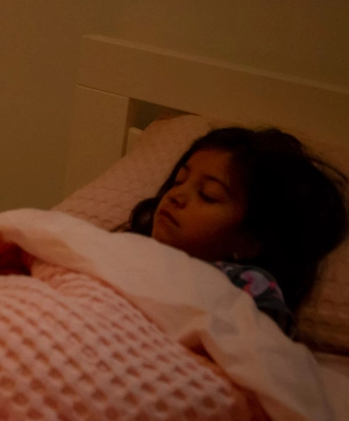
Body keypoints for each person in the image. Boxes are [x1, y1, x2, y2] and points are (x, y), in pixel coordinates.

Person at [121, 127, 348, 336]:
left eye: (208, 194)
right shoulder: (126, 248)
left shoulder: (245, 285)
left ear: (250, 240)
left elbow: (263, 352)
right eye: (179, 181)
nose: (175, 196)